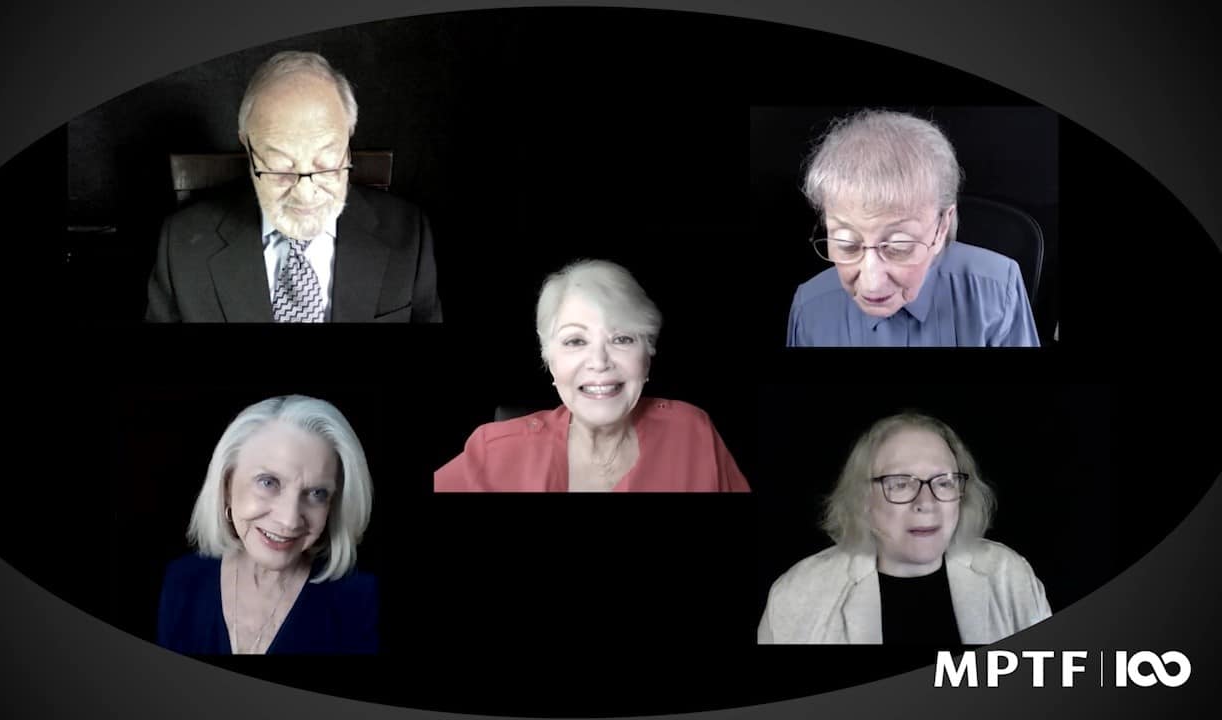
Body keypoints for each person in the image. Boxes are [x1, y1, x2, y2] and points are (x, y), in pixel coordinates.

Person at [145, 51, 441, 322]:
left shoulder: (409, 235)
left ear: (348, 143)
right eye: (280, 167)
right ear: (248, 148)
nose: (305, 193)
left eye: (325, 163)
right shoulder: (181, 247)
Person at [435, 259, 750, 492]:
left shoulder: (693, 433)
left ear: (648, 353)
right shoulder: (493, 453)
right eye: (576, 341)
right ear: (550, 360)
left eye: (622, 339)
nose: (599, 362)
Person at [757, 412, 1050, 644]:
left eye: (944, 481)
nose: (926, 502)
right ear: (863, 499)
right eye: (899, 483)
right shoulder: (797, 594)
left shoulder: (1010, 575)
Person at [787, 110, 1038, 346]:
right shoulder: (808, 310)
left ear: (942, 226)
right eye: (846, 244)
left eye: (899, 246)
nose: (871, 284)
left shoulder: (998, 290)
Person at [158, 395, 378, 654]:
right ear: (227, 485)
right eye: (268, 482)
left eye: (317, 493)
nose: (289, 520)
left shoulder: (362, 600)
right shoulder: (182, 581)